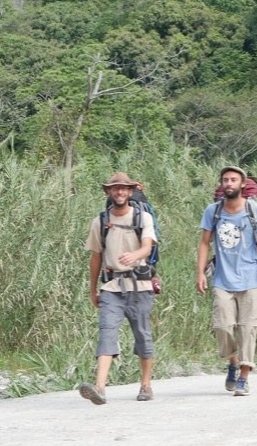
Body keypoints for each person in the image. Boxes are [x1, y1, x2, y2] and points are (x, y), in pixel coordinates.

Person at [196, 165, 257, 396]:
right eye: (225, 180)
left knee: (248, 329)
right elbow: (205, 242)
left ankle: (244, 378)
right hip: (222, 280)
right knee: (222, 327)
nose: (229, 184)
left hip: (251, 279)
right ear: (221, 184)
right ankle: (233, 362)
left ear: (242, 184)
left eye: (233, 180)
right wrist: (199, 273)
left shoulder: (254, 211)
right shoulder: (213, 211)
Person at [79, 171, 157, 405]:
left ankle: (146, 384)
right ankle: (100, 388)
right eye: (115, 188)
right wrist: (93, 289)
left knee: (142, 336)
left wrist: (134, 255)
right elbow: (95, 257)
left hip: (140, 285)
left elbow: (147, 247)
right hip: (111, 287)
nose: (120, 192)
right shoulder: (100, 221)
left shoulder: (143, 218)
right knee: (107, 333)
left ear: (131, 191)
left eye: (124, 188)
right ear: (108, 192)